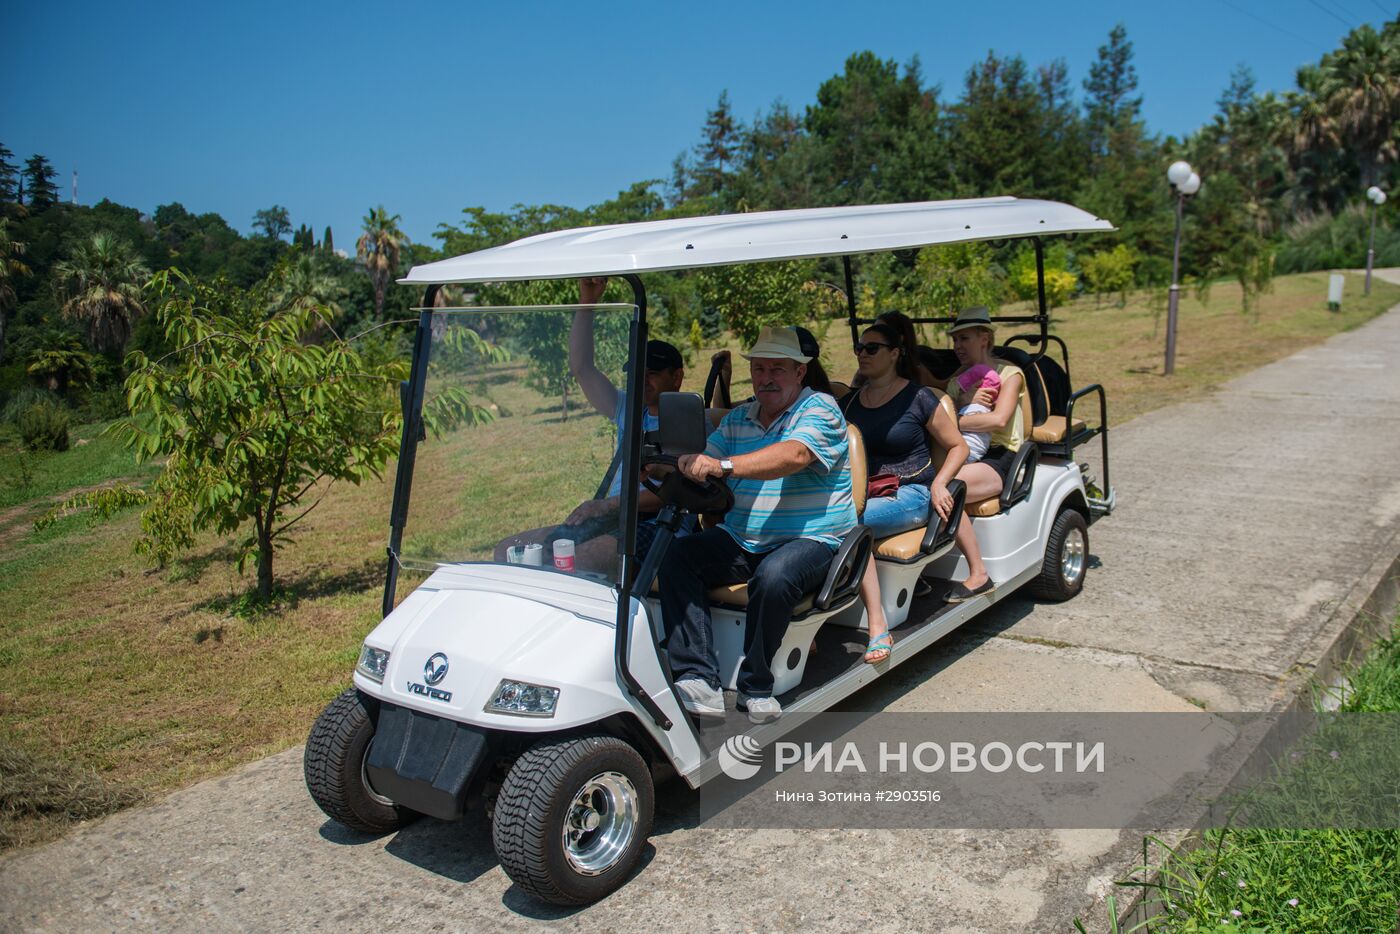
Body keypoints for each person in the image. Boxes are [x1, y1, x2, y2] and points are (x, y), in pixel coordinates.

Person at [660, 326, 856, 724]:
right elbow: (709, 458)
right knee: (677, 555)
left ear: (800, 372)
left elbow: (795, 455)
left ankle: (757, 685)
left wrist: (724, 466)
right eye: (759, 368)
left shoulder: (820, 408)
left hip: (813, 539)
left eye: (778, 369)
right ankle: (698, 677)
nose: (766, 378)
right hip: (743, 537)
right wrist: (690, 464)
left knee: (775, 573)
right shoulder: (737, 420)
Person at [494, 276, 685, 569]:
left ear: (677, 377)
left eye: (652, 372)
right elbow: (582, 368)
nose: (641, 380)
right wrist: (587, 301)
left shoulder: (690, 421)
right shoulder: (628, 409)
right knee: (510, 550)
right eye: (636, 371)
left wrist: (607, 505)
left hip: (659, 524)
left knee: (575, 561)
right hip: (611, 515)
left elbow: (676, 495)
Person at [839, 322, 968, 662]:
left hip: (913, 492)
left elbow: (958, 446)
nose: (862, 354)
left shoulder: (919, 397)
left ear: (894, 354)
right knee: (818, 519)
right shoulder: (850, 402)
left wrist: (941, 482)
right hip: (865, 493)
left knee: (848, 522)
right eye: (859, 347)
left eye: (872, 348)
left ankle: (878, 626)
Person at [939, 306, 1026, 603]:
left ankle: (979, 574)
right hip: (966, 449)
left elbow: (998, 420)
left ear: (984, 338)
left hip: (1001, 455)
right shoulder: (956, 382)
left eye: (964, 338)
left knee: (949, 488)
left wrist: (958, 418)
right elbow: (940, 419)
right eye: (955, 340)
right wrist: (964, 403)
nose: (957, 346)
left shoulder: (1010, 374)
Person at [953, 364, 1001, 462]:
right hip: (977, 452)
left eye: (962, 389)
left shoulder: (973, 408)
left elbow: (999, 421)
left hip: (964, 451)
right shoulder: (986, 409)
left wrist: (947, 423)